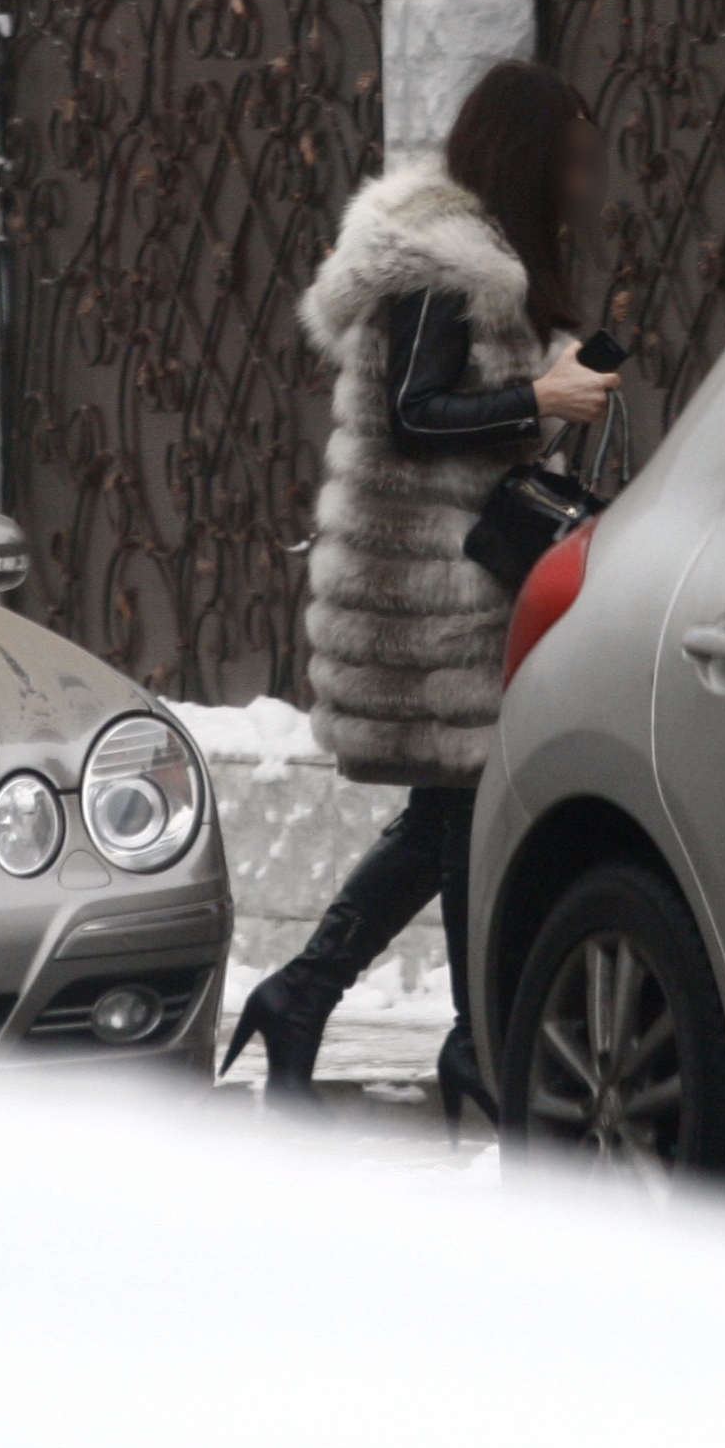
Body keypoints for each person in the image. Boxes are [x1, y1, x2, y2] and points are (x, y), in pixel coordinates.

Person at [229, 60, 619, 1121]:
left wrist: (554, 382)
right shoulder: (444, 265)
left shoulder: (486, 259)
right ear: (528, 157)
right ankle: (471, 1044)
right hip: (425, 589)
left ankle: (309, 998)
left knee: (446, 814)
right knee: (462, 810)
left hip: (453, 578)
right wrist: (538, 395)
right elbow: (415, 413)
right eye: (570, 161)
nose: (582, 184)